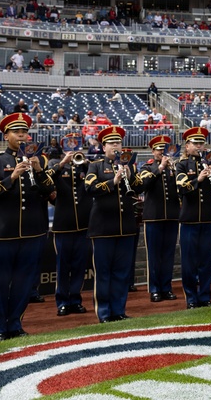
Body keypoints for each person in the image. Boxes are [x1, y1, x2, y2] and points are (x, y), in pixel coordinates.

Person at [0, 112, 54, 342]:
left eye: (25, 132)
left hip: (33, 231)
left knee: (24, 284)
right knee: (2, 283)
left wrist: (39, 171)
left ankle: (15, 323)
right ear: (6, 135)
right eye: (17, 132)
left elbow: (50, 191)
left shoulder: (38, 160)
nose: (22, 136)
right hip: (4, 232)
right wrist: (12, 176)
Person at [85, 125, 142, 322]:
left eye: (118, 143)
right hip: (103, 228)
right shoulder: (96, 166)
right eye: (112, 143)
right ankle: (104, 313)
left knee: (121, 272)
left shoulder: (130, 166)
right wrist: (114, 182)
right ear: (103, 147)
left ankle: (119, 310)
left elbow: (139, 187)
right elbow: (90, 188)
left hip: (125, 227)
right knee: (103, 273)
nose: (116, 146)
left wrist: (130, 174)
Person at [175, 126, 211, 308]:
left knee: (206, 261)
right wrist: (198, 179)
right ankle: (192, 298)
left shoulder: (210, 164)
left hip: (207, 218)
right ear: (187, 146)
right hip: (190, 220)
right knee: (189, 262)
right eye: (195, 143)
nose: (199, 146)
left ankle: (205, 296)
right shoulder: (182, 165)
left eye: (201, 143)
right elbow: (181, 187)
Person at [45, 138, 91, 317]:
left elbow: (92, 181)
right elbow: (48, 177)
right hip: (63, 225)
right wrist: (63, 162)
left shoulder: (85, 167)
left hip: (82, 224)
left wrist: (85, 163)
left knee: (79, 265)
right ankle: (62, 301)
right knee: (63, 266)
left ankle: (75, 299)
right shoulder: (58, 167)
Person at [137, 135, 181, 302]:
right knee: (154, 256)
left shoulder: (174, 167)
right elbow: (143, 185)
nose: (161, 153)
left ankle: (166, 287)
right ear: (152, 151)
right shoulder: (146, 167)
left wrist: (174, 169)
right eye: (158, 150)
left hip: (171, 215)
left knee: (169, 254)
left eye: (163, 150)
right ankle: (155, 289)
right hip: (153, 217)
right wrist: (160, 168)